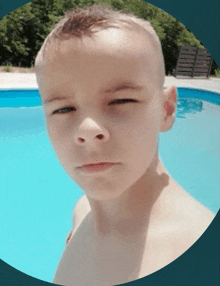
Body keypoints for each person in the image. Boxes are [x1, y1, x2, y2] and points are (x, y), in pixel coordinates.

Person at [35, 4, 214, 285]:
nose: (88, 130)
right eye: (64, 109)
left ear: (166, 110)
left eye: (121, 101)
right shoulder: (82, 213)